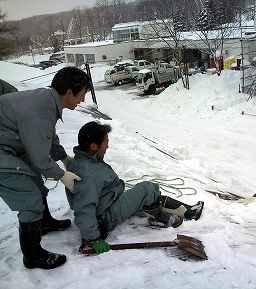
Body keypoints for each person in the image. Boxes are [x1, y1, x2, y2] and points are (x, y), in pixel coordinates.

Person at [66, 122, 204, 255]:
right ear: (94, 146)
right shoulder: (88, 172)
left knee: (148, 196)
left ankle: (187, 211)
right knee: (148, 189)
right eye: (105, 141)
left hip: (108, 203)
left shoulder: (86, 161)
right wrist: (92, 239)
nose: (108, 146)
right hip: (103, 218)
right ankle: (160, 218)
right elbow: (84, 207)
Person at [0, 67, 90, 269]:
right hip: (2, 152)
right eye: (82, 94)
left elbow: (47, 137)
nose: (82, 100)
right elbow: (41, 160)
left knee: (37, 184)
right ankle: (32, 256)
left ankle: (44, 223)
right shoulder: (41, 109)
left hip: (10, 144)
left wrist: (63, 158)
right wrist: (63, 175)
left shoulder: (47, 100)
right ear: (69, 92)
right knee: (29, 198)